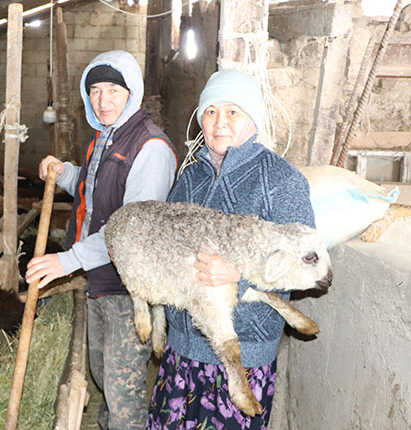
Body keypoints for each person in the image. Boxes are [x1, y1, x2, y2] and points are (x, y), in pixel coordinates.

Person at [146, 69, 315, 429]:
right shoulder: (190, 178)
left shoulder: (281, 181)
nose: (220, 122)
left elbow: (304, 266)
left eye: (233, 111)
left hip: (244, 356)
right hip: (182, 350)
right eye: (210, 111)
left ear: (253, 116)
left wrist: (237, 278)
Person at [25, 50, 178, 429]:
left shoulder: (150, 148)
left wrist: (68, 260)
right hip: (101, 276)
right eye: (94, 90)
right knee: (102, 373)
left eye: (113, 89)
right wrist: (64, 173)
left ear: (132, 92)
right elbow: (94, 188)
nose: (103, 100)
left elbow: (132, 228)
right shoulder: (105, 139)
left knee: (122, 388)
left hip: (130, 290)